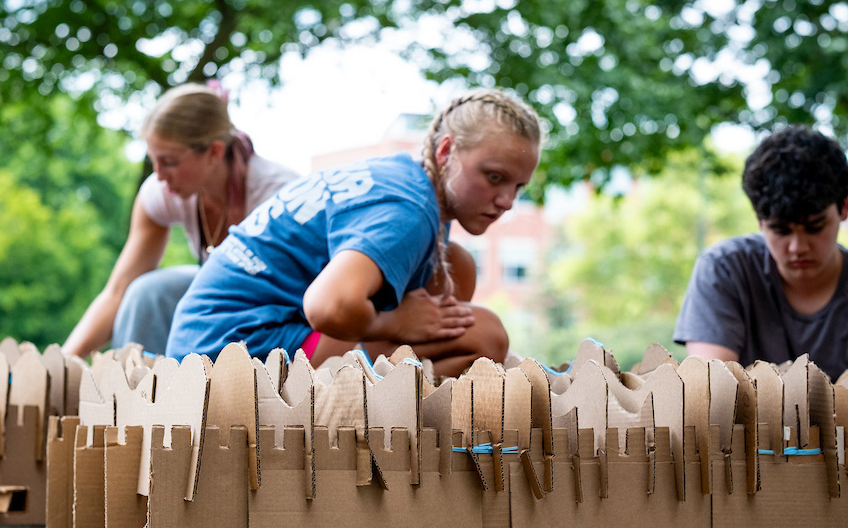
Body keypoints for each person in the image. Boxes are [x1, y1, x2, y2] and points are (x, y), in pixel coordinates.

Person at [165, 88, 542, 377]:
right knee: (485, 335)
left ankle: (398, 386)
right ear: (446, 152)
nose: (507, 200)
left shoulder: (405, 180)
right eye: (494, 177)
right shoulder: (407, 210)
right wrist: (396, 322)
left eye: (518, 187)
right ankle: (387, 404)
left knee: (454, 266)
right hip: (225, 354)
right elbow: (328, 305)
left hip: (207, 334)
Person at [63, 84, 298, 357]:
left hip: (279, 311)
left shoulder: (280, 197)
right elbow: (117, 291)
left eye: (170, 162)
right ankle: (131, 381)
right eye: (153, 161)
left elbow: (309, 298)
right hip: (217, 303)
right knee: (148, 293)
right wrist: (63, 364)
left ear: (214, 152)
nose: (159, 175)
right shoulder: (162, 192)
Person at [674, 126, 848, 380]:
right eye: (781, 230)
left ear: (844, 207)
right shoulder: (723, 270)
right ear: (759, 219)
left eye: (815, 227)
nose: (797, 247)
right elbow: (712, 390)